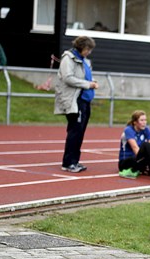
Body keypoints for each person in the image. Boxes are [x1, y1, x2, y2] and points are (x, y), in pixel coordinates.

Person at [54, 36, 99, 173]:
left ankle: (75, 160)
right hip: (75, 101)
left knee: (80, 133)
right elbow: (68, 78)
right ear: (81, 47)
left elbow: (84, 77)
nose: (89, 52)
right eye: (87, 49)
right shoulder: (68, 59)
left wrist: (92, 82)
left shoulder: (85, 61)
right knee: (75, 132)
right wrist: (87, 84)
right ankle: (68, 162)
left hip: (85, 101)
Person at [117, 109, 150, 178]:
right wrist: (148, 160)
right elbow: (135, 148)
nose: (144, 122)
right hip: (126, 161)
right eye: (142, 120)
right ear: (135, 122)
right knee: (145, 160)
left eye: (145, 120)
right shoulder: (128, 130)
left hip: (139, 159)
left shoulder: (146, 129)